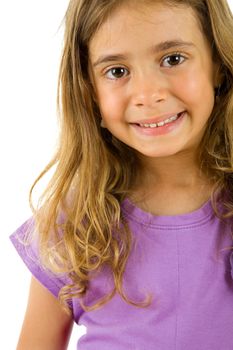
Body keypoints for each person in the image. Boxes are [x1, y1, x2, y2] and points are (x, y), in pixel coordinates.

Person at [10, 0, 233, 349]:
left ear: (218, 64)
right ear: (90, 91)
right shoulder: (73, 223)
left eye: (173, 59)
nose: (148, 94)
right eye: (117, 71)